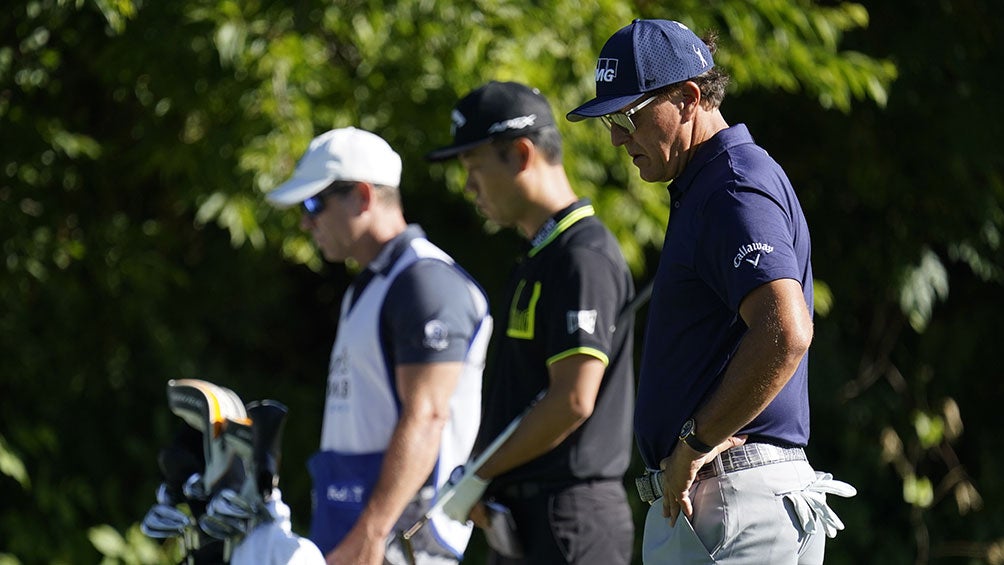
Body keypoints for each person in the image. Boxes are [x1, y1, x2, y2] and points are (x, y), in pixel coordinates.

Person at [567, 18, 856, 565]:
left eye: (628, 116)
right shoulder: (709, 183)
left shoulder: (732, 185)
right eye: (609, 120)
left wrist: (693, 444)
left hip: (732, 498)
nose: (616, 138)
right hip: (730, 500)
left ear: (688, 97)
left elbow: (786, 331)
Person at [425, 81, 636, 565]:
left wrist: (479, 472)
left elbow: (572, 400)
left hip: (572, 521)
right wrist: (482, 474)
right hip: (529, 516)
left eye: (475, 168)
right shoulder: (539, 256)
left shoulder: (582, 256)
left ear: (521, 154)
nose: (469, 186)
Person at [265, 127, 493, 565]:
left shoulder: (425, 282)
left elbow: (427, 416)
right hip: (360, 524)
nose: (305, 221)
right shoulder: (370, 284)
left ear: (363, 197)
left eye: (314, 204)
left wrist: (372, 532)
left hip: (398, 540)